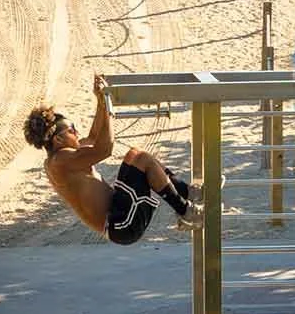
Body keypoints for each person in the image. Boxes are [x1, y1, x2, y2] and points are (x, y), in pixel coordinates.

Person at [23, 74, 202, 245]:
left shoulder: (65, 156)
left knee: (135, 155)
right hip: (120, 225)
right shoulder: (60, 160)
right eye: (72, 130)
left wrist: (101, 100)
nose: (77, 133)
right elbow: (105, 148)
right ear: (58, 139)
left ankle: (188, 194)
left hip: (120, 215)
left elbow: (94, 137)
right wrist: (109, 109)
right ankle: (185, 211)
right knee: (142, 160)